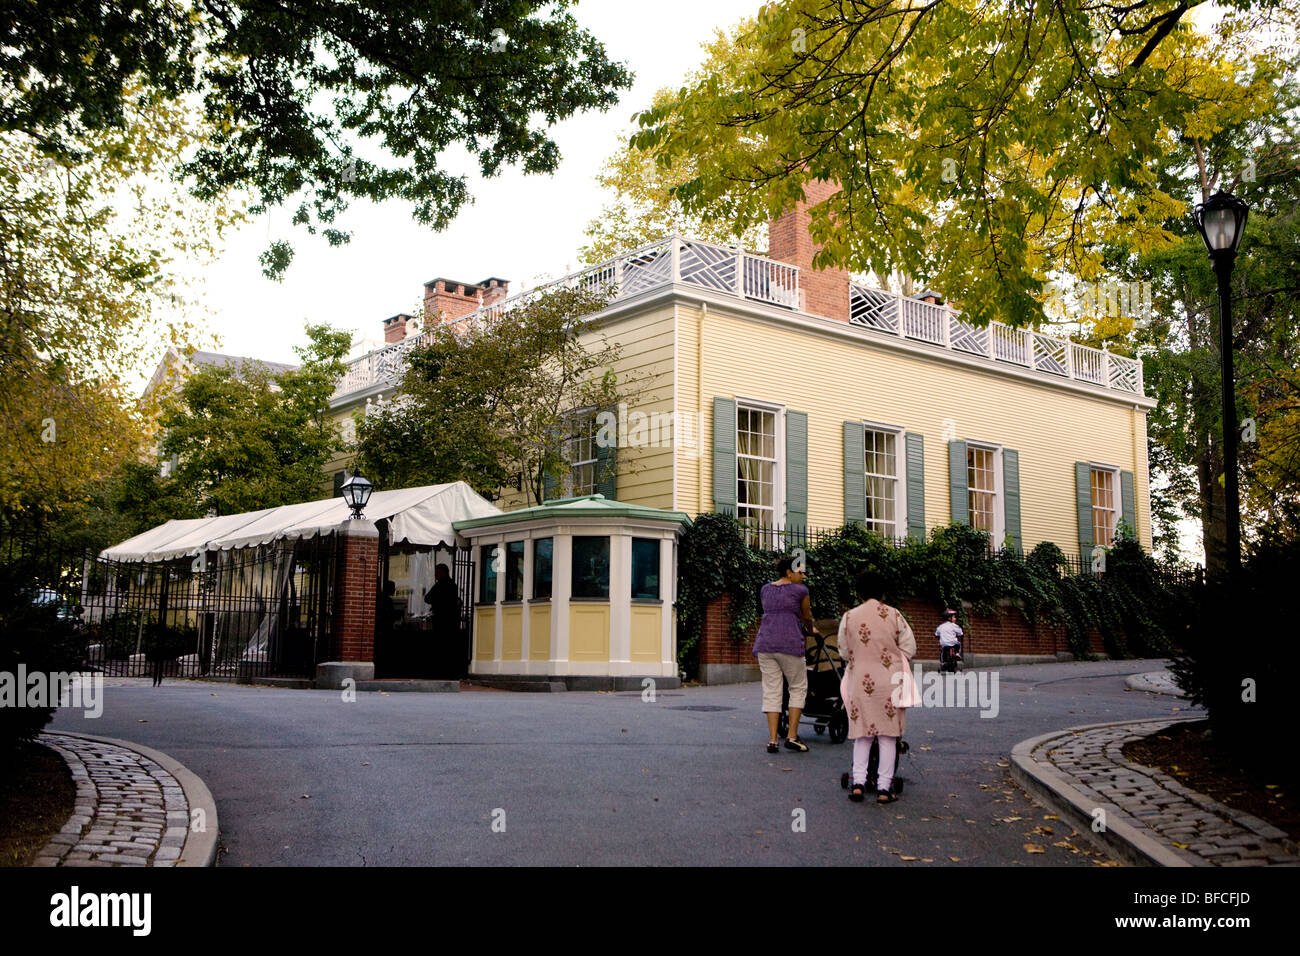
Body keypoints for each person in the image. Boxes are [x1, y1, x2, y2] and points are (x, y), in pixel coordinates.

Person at [839, 569, 916, 803]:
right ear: (883, 592)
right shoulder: (894, 615)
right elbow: (909, 647)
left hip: (861, 679)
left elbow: (843, 650)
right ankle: (884, 788)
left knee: (862, 735)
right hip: (890, 681)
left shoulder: (849, 617)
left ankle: (858, 783)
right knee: (888, 736)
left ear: (859, 592)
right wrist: (893, 659)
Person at [753, 554, 818, 754]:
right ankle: (791, 737)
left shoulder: (766, 589)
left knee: (772, 690)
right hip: (789, 643)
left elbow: (770, 610)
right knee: (798, 686)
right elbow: (806, 616)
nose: (804, 576)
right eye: (800, 572)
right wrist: (811, 630)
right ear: (789, 572)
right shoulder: (800, 590)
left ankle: (773, 740)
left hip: (765, 643)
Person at [424, 563, 461, 677]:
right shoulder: (451, 585)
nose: (435, 575)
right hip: (450, 621)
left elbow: (427, 598)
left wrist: (437, 603)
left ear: (443, 573)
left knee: (442, 644)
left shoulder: (441, 585)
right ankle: (448, 669)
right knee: (447, 646)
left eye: (437, 572)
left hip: (442, 620)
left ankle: (441, 669)